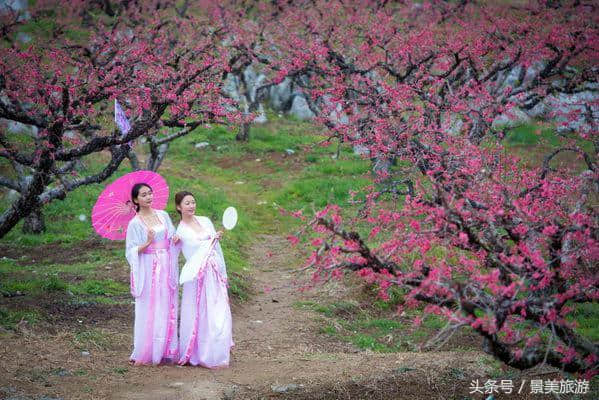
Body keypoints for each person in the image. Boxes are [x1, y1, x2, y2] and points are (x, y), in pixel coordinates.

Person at [174, 191, 233, 368]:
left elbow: (216, 249)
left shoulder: (206, 221)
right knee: (199, 312)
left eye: (193, 202)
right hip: (197, 276)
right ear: (179, 207)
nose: (191, 206)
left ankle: (218, 350)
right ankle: (199, 352)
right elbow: (188, 253)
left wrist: (222, 270)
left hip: (213, 273)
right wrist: (175, 242)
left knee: (218, 311)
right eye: (187, 203)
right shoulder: (181, 231)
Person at [125, 183, 179, 365]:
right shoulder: (135, 223)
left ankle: (165, 348)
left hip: (165, 263)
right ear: (135, 200)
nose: (148, 197)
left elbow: (171, 235)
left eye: (150, 193)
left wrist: (175, 238)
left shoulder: (163, 215)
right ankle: (148, 349)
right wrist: (147, 243)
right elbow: (131, 251)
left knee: (166, 302)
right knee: (150, 304)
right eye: (143, 195)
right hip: (149, 266)